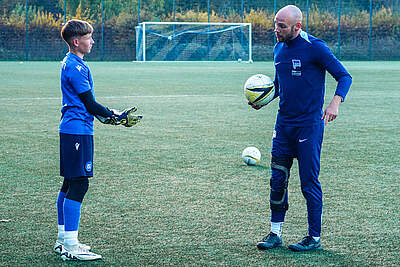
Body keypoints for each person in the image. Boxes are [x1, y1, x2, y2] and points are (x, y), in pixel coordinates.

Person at [250, 5, 352, 251]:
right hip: (283, 126)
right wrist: (263, 98)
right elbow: (279, 85)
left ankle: (313, 238)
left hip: (309, 126)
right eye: (275, 24)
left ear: (297, 26)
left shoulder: (315, 47)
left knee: (308, 182)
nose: (276, 29)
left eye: (282, 26)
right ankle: (275, 233)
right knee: (277, 179)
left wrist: (335, 104)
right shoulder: (277, 49)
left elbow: (344, 76)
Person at [54, 19, 142, 261]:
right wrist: (115, 116)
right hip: (78, 131)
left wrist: (109, 116)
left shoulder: (70, 62)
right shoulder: (77, 67)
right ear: (76, 41)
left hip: (73, 129)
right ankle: (70, 244)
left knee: (69, 183)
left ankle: (64, 239)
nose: (92, 41)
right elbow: (90, 104)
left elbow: (88, 104)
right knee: (79, 183)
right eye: (88, 37)